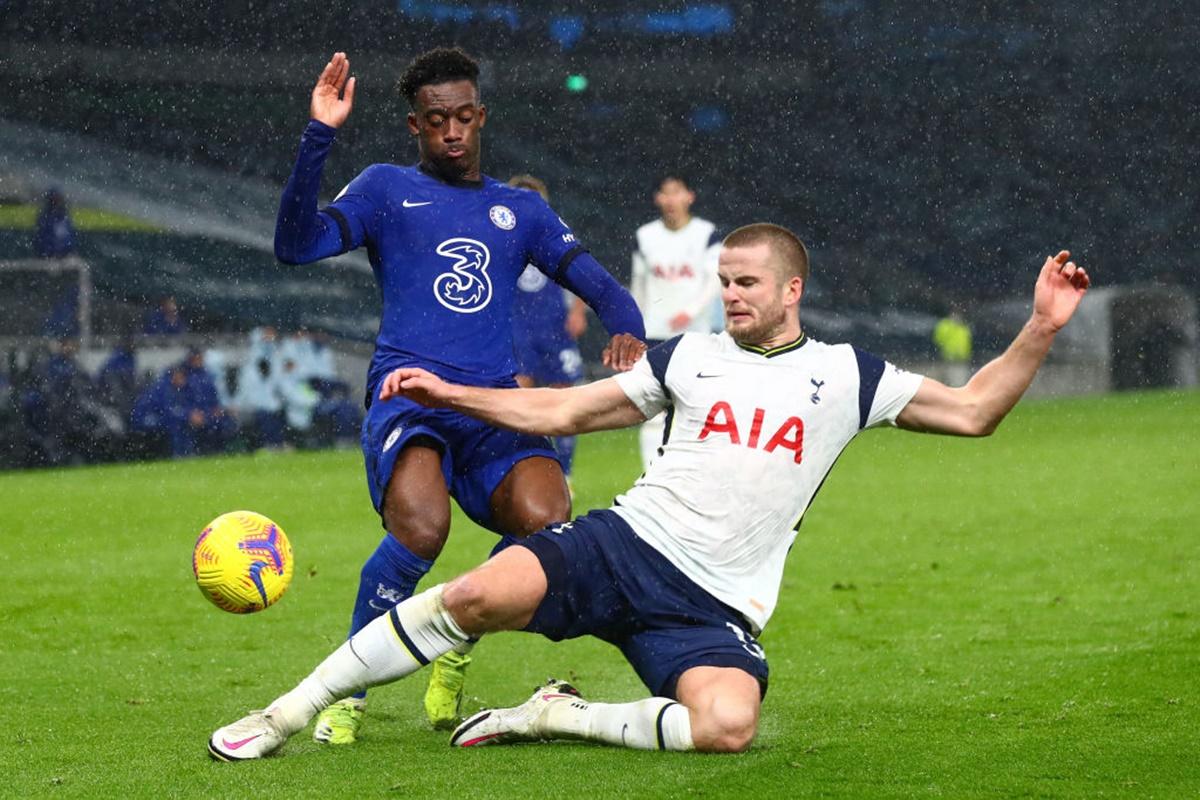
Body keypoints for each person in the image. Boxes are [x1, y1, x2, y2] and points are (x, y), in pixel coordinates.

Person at [208, 224, 1090, 759]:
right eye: (724, 283)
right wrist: (449, 393)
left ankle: (556, 717)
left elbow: (976, 412)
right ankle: (286, 712)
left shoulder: (850, 376)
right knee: (475, 593)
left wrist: (1042, 326)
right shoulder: (689, 356)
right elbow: (563, 406)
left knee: (728, 728)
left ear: (793, 289)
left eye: (747, 283)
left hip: (710, 605)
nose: (731, 296)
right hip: (621, 549)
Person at [270, 50, 645, 742]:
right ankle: (346, 692)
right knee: (421, 529)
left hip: (490, 405)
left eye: (463, 117)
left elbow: (601, 285)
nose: (451, 131)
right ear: (415, 125)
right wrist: (319, 134)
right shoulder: (385, 189)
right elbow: (296, 245)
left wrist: (627, 327)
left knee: (548, 516)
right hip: (409, 396)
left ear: (480, 118)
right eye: (435, 120)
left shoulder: (519, 209)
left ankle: (457, 633)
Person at [630, 173, 722, 470]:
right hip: (655, 334)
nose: (671, 200)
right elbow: (639, 285)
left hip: (695, 336)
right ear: (658, 199)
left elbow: (714, 280)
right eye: (665, 193)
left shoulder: (706, 233)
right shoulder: (645, 236)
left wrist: (691, 310)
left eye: (677, 193)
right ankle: (651, 474)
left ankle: (692, 473)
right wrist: (634, 328)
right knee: (653, 411)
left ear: (689, 196)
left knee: (695, 407)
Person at [508, 174, 588, 484]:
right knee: (518, 400)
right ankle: (524, 468)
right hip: (517, 329)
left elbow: (584, 274)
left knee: (564, 399)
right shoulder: (498, 236)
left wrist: (579, 311)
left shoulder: (558, 234)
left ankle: (564, 473)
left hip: (555, 328)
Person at [33, 187, 77, 258]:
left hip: (64, 255)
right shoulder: (45, 218)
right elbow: (42, 240)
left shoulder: (64, 217)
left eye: (57, 199)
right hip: (49, 256)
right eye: (53, 200)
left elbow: (69, 238)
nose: (56, 202)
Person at [933, 308, 973, 387]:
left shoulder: (963, 327)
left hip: (961, 359)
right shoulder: (945, 325)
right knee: (948, 380)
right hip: (949, 358)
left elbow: (967, 343)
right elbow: (938, 339)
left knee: (959, 381)